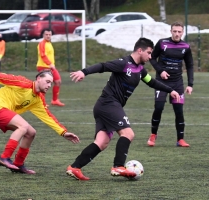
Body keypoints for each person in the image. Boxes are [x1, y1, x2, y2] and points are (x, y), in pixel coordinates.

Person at [65, 37, 180, 181]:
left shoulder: (140, 70)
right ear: (140, 50)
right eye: (149, 53)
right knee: (128, 133)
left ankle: (75, 167)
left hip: (105, 106)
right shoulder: (123, 63)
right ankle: (118, 166)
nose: (151, 57)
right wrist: (84, 72)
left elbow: (152, 83)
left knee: (102, 142)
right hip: (108, 104)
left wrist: (170, 90)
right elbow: (103, 66)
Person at [0, 70, 80, 174]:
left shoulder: (38, 99)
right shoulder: (22, 82)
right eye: (48, 81)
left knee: (31, 132)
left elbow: (48, 117)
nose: (49, 85)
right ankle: (5, 157)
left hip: (4, 112)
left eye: (51, 83)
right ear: (38, 79)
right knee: (22, 126)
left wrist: (63, 132)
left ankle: (18, 164)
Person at [147, 22, 194, 147]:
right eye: (175, 31)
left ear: (182, 32)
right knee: (159, 108)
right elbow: (152, 57)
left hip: (177, 83)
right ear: (171, 31)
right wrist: (160, 71)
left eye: (179, 31)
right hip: (161, 82)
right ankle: (153, 135)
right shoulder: (162, 43)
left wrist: (190, 84)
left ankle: (180, 139)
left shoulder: (186, 46)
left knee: (179, 111)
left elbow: (189, 65)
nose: (177, 34)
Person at [36, 29, 65, 106]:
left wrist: (51, 65)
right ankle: (41, 103)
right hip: (43, 67)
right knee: (44, 84)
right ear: (43, 35)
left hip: (51, 67)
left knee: (58, 81)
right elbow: (43, 55)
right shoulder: (42, 43)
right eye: (46, 34)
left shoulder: (49, 43)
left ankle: (55, 100)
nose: (48, 36)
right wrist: (50, 63)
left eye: (49, 34)